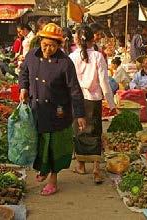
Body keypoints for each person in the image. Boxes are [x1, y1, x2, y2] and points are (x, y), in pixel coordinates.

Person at [19, 23, 86, 196]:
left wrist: (80, 114)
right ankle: (43, 168)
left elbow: (75, 89)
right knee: (40, 142)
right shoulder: (31, 56)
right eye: (45, 45)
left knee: (53, 146)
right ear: (40, 41)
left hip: (58, 111)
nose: (48, 49)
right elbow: (23, 73)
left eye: (53, 46)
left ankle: (53, 180)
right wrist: (23, 88)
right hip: (37, 108)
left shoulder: (64, 62)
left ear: (59, 45)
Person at [69, 25, 115, 184]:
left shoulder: (72, 57)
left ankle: (81, 165)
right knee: (95, 131)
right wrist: (111, 103)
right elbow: (104, 81)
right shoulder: (98, 56)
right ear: (92, 39)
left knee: (79, 131)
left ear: (76, 40)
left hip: (76, 99)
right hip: (94, 99)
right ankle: (96, 169)